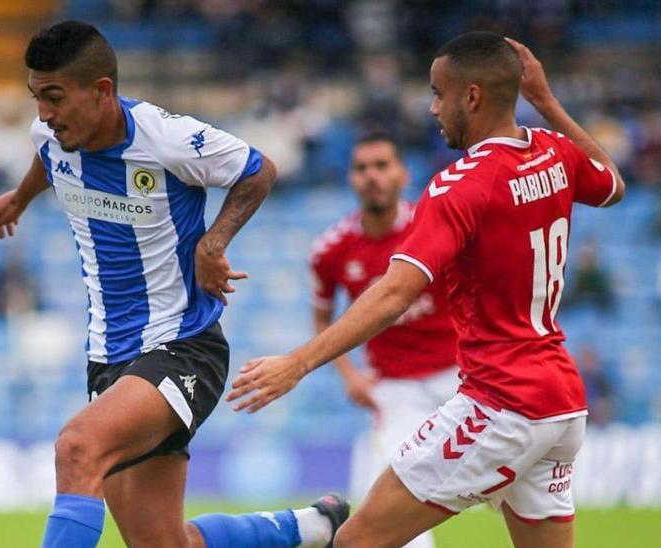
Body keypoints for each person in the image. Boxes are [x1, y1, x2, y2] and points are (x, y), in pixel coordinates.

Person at [228, 32, 625, 547]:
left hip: (500, 399)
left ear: (473, 97)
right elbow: (612, 184)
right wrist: (546, 103)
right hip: (559, 401)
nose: (433, 108)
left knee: (354, 541)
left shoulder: (459, 186)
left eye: (439, 93)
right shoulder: (552, 153)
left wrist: (298, 363)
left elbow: (395, 294)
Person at [0, 21, 347, 548]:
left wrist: (212, 243)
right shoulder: (53, 137)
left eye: (55, 97)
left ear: (102, 91)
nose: (44, 113)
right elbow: (47, 155)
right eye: (37, 97)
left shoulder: (166, 139)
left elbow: (258, 169)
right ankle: (312, 528)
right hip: (110, 357)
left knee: (77, 448)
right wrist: (20, 197)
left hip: (183, 347)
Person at [309, 131, 459, 548]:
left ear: (401, 174)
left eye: (381, 165)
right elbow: (322, 318)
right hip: (394, 389)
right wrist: (348, 376)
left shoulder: (433, 226)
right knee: (393, 498)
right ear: (351, 179)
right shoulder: (331, 249)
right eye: (361, 168)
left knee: (513, 483)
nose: (372, 176)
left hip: (462, 376)